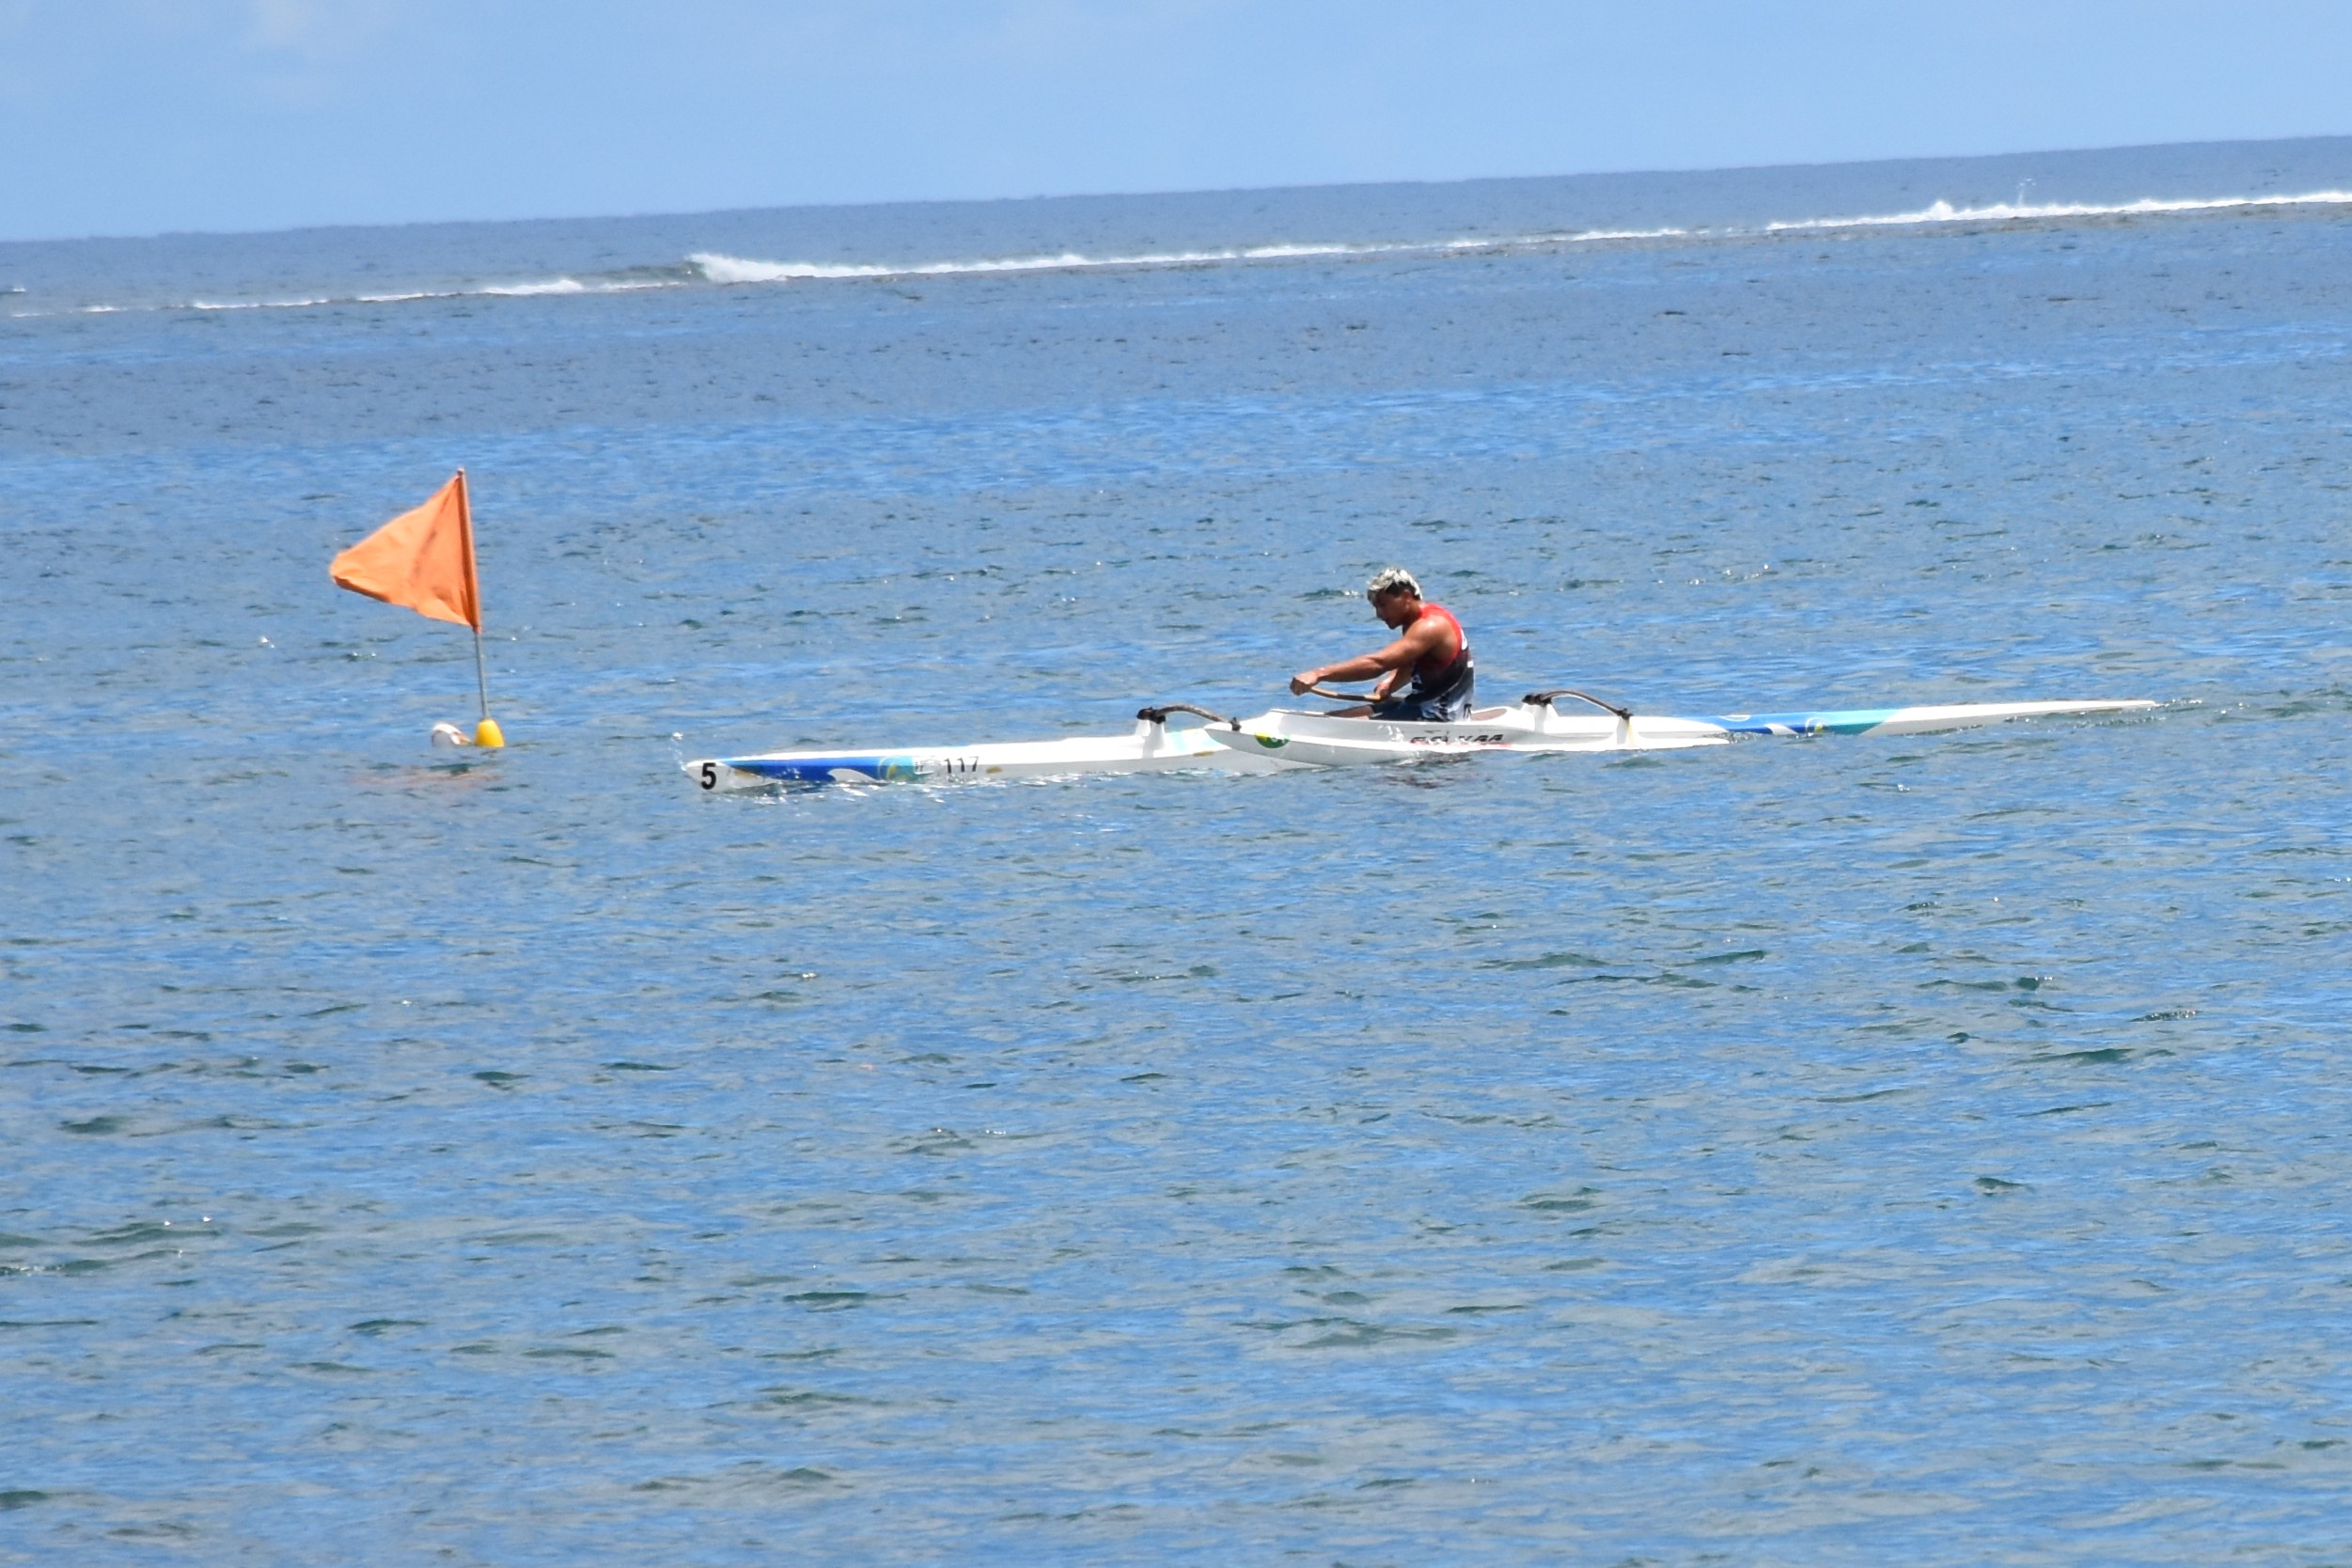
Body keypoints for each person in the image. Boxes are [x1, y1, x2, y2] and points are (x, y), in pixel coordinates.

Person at [1290, 568, 1476, 720]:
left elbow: (1377, 664)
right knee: (1337, 718)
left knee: (1342, 725)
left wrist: (1319, 674)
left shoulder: (1430, 626)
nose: (1379, 614)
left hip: (1438, 719)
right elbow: (1408, 665)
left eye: (1383, 605)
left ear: (1405, 596)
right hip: (1419, 706)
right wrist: (1389, 685)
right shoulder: (1415, 623)